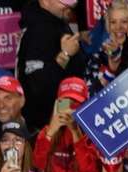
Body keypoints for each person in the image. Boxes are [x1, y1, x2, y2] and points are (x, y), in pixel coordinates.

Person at [17, 0, 86, 130]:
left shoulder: (55, 21)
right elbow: (39, 85)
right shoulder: (39, 28)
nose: (70, 7)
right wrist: (65, 54)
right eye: (64, 3)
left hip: (60, 118)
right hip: (45, 125)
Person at [33, 77, 98, 172]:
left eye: (75, 104)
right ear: (57, 105)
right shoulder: (46, 132)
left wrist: (75, 132)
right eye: (66, 103)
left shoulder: (92, 136)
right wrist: (50, 133)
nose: (69, 109)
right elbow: (37, 166)